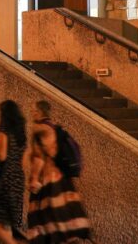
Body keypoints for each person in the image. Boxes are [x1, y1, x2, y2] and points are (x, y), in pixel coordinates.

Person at [26, 100, 91, 243]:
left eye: (33, 110)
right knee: (65, 214)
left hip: (48, 179)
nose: (31, 113)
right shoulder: (54, 128)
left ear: (39, 111)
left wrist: (34, 179)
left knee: (46, 216)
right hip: (61, 178)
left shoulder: (39, 129)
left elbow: (39, 158)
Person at [0, 99, 27, 244]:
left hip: (5, 179)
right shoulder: (21, 133)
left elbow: (1, 156)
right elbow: (23, 158)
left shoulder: (4, 132)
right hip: (18, 178)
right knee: (7, 220)